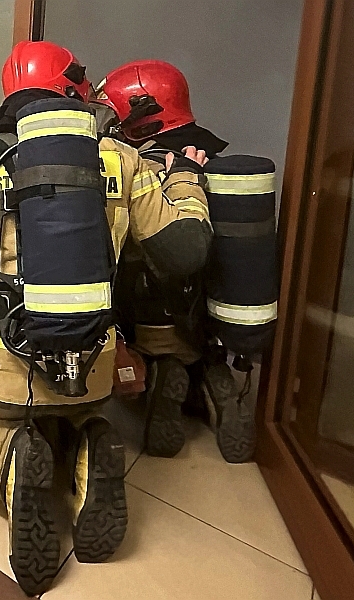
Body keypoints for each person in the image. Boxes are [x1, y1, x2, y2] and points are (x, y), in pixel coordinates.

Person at [0, 42, 212, 595]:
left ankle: (7, 461)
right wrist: (187, 182)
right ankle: (85, 447)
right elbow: (185, 253)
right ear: (74, 90)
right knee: (72, 412)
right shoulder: (123, 159)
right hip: (92, 370)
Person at [93, 59, 256, 463]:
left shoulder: (146, 165)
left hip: (155, 313)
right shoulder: (210, 154)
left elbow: (163, 248)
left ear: (143, 119)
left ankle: (164, 373)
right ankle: (213, 378)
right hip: (210, 315)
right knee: (201, 351)